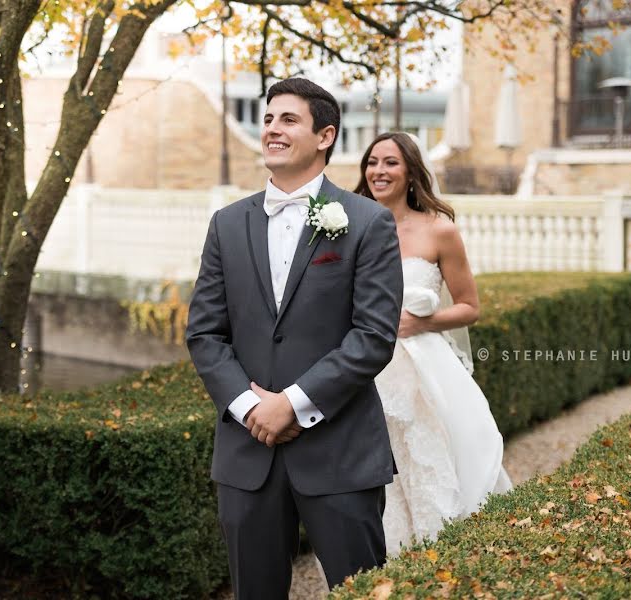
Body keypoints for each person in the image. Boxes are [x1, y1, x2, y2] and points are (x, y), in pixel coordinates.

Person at [185, 78, 404, 599]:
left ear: (325, 135)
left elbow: (374, 335)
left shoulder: (368, 222)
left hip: (340, 452)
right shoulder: (226, 224)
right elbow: (205, 332)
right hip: (246, 454)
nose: (273, 130)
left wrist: (293, 404)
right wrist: (249, 407)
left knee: (361, 592)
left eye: (288, 120)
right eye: (267, 119)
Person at [354, 132, 513, 553]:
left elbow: (469, 307)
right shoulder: (348, 227)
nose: (378, 171)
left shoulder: (440, 232)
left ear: (410, 172)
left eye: (390, 162)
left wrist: (420, 323)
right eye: (372, 162)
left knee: (427, 463)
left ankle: (438, 558)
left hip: (423, 369)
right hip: (363, 369)